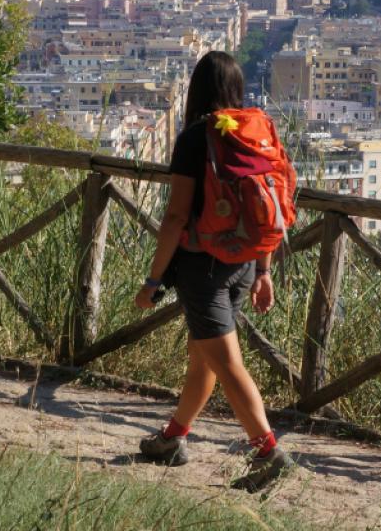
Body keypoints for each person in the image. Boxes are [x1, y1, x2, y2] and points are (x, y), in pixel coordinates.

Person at [134, 50, 294, 491]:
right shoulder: (254, 131)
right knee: (204, 355)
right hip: (243, 261)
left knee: (226, 363)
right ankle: (172, 438)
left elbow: (175, 218)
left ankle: (267, 452)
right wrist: (263, 269)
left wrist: (152, 281)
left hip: (202, 266)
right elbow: (267, 203)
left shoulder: (196, 138)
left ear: (197, 89)